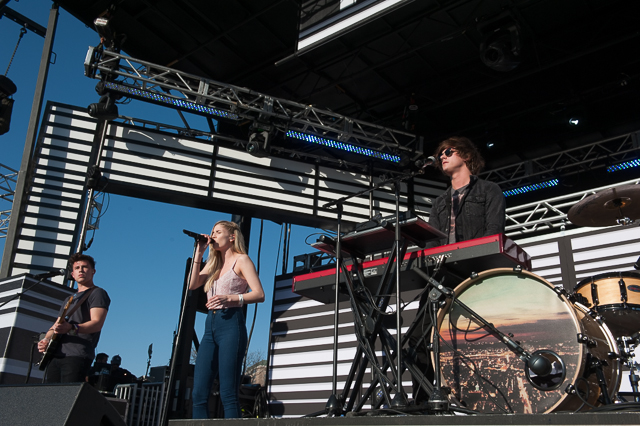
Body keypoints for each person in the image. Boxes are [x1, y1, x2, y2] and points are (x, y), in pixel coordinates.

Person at [410, 136, 505, 404]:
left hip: (475, 275)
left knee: (480, 341)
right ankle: (424, 405)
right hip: (441, 277)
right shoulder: (439, 203)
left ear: (466, 155)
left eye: (448, 151)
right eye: (440, 153)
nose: (442, 156)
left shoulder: (489, 191)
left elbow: (493, 233)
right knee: (416, 341)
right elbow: (432, 245)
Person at [190, 220, 265, 419]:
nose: (213, 235)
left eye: (218, 232)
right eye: (212, 232)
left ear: (231, 237)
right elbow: (193, 284)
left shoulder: (242, 260)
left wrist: (231, 298)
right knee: (198, 394)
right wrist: (199, 253)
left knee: (228, 393)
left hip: (231, 324)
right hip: (210, 326)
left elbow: (259, 294)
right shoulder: (213, 263)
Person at [37, 253, 111, 383]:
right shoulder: (69, 299)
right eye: (77, 268)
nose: (81, 270)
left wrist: (72, 328)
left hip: (77, 355)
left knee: (68, 393)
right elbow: (56, 325)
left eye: (85, 267)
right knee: (50, 393)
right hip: (56, 354)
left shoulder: (97, 293)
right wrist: (46, 339)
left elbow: (97, 323)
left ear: (93, 271)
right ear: (72, 274)